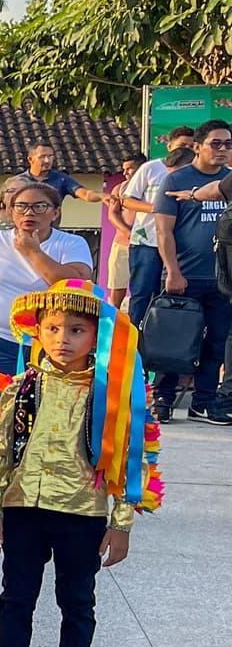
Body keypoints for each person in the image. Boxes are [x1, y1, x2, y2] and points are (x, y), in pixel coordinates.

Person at [0, 281, 162, 647]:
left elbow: (131, 460)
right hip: (24, 508)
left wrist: (121, 523)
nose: (63, 339)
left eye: (76, 330)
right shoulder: (19, 387)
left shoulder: (114, 394)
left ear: (97, 337)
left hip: (84, 512)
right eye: (53, 328)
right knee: (17, 595)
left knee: (78, 600)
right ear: (37, 331)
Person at [0, 182, 94, 391]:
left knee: (47, 402)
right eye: (21, 206)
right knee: (1, 402)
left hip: (54, 344)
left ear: (56, 212)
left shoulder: (71, 244)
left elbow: (76, 283)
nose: (29, 213)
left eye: (39, 206)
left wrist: (33, 252)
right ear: (10, 211)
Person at [153, 118, 232, 423]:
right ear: (197, 147)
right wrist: (172, 271)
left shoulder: (227, 181)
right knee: (175, 340)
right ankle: (163, 397)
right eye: (216, 143)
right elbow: (164, 232)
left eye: (228, 144)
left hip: (222, 278)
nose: (222, 149)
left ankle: (203, 402)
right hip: (185, 275)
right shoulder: (176, 180)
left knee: (216, 342)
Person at [117, 131, 193, 323]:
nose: (187, 150)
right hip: (147, 242)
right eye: (182, 145)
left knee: (173, 296)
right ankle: (135, 336)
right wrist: (160, 208)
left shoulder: (197, 173)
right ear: (169, 146)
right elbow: (127, 200)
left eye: (191, 146)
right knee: (142, 294)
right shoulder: (150, 168)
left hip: (181, 246)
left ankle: (165, 336)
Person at [99, 154, 145, 306]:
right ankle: (114, 317)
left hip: (148, 245)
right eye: (124, 169)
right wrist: (127, 232)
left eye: (130, 169)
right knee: (117, 286)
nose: (125, 173)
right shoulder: (120, 189)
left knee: (145, 286)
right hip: (122, 243)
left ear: (142, 168)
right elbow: (112, 215)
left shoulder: (152, 188)